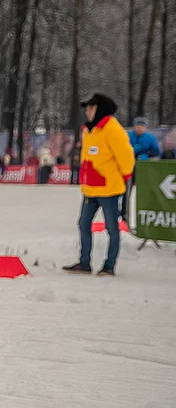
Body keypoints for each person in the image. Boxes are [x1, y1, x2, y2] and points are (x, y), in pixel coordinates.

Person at [63, 93, 134, 276]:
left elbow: (126, 157)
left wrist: (125, 177)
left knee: (112, 228)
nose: (87, 112)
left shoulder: (112, 128)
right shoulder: (88, 130)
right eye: (87, 109)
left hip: (109, 189)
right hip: (90, 189)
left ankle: (109, 265)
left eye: (91, 108)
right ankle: (84, 262)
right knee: (83, 223)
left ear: (100, 109)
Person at [123, 116, 161, 219]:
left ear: (145, 128)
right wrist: (131, 152)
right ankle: (124, 212)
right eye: (137, 126)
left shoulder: (150, 137)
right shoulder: (128, 135)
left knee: (145, 189)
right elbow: (121, 148)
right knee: (126, 190)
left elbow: (157, 151)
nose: (139, 129)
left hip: (143, 166)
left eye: (141, 127)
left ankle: (145, 210)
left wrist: (147, 154)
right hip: (129, 165)